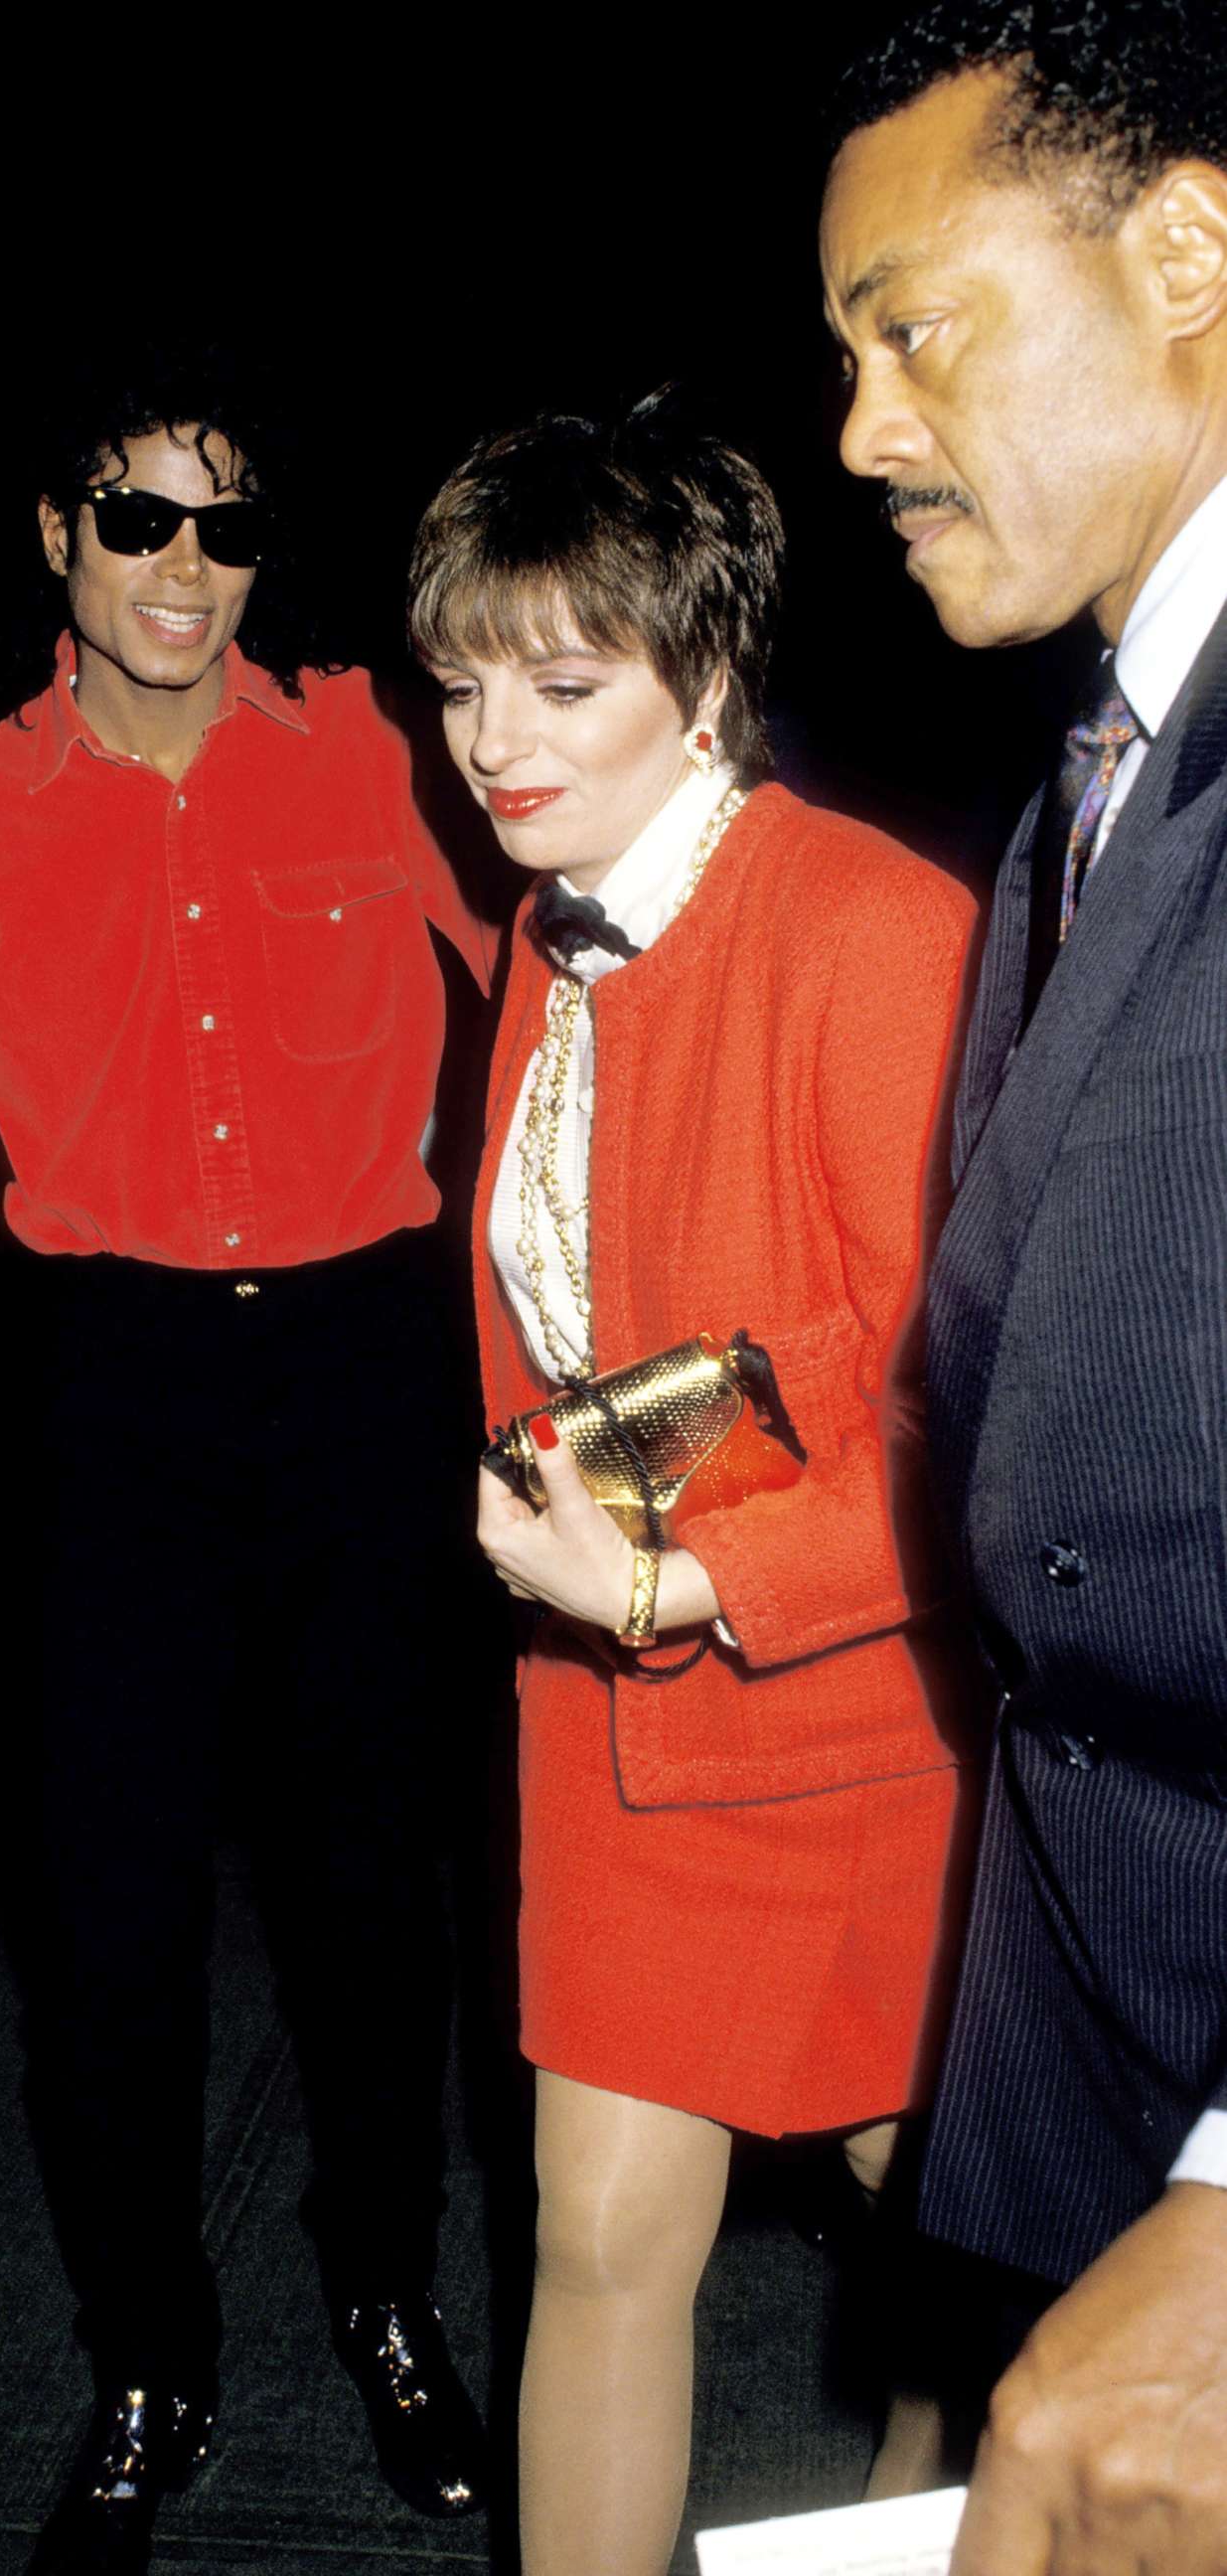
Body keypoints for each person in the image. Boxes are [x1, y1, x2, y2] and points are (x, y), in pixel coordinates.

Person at [0, 358, 500, 2574]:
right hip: (102, 1402)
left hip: (362, 1375)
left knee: (371, 1894)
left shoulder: (386, 759)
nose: (185, 573)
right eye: (138, 523)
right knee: (101, 1920)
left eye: (223, 530)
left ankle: (389, 2301)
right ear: (54, 533)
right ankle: (141, 2354)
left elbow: (577, 969)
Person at [406, 394, 977, 2576]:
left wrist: (683, 1587)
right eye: (463, 682)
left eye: (562, 685)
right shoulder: (543, 932)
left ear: (711, 677)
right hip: (609, 1728)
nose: (493, 741)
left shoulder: (862, 928)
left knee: (942, 2246)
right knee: (596, 2245)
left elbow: (957, 1414)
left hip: (844, 1729)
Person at [825, 6, 1227, 2569]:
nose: (857, 428)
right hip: (1092, 2010)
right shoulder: (1092, 759)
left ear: (1187, 250)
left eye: (907, 319)